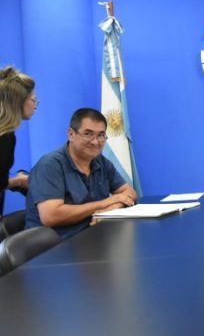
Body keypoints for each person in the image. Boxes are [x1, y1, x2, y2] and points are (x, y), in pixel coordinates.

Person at [25, 108, 136, 239]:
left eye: (101, 135)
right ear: (71, 134)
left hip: (93, 237)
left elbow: (129, 193)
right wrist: (103, 204)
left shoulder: (100, 161)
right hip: (56, 244)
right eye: (88, 134)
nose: (95, 142)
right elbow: (50, 216)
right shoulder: (50, 165)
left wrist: (111, 208)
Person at [0, 67, 37, 215]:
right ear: (19, 101)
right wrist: (20, 181)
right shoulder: (6, 137)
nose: (35, 105)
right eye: (33, 100)